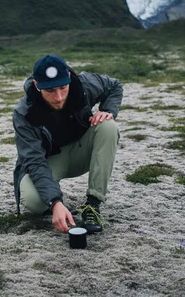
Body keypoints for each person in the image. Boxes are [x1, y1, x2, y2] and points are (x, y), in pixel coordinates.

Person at [12, 54, 122, 233]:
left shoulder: (84, 84)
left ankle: (93, 205)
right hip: (51, 160)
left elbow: (115, 85)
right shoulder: (23, 113)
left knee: (108, 126)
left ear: (69, 79)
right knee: (33, 202)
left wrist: (108, 111)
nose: (58, 97)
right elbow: (34, 162)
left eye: (63, 87)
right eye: (50, 91)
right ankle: (55, 203)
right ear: (37, 86)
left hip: (82, 151)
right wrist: (55, 202)